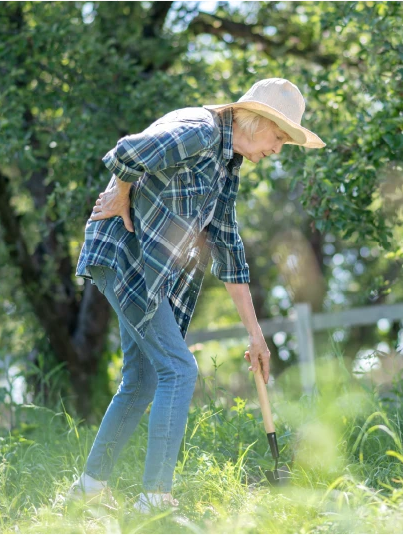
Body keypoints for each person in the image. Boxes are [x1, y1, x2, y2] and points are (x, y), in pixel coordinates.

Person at [68, 78, 325, 511]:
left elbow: (227, 247)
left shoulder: (227, 167)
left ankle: (88, 492)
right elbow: (130, 151)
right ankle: (153, 499)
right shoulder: (201, 130)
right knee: (179, 370)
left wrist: (255, 335)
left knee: (145, 378)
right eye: (279, 135)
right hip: (124, 258)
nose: (278, 148)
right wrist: (120, 192)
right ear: (255, 119)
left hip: (147, 272)